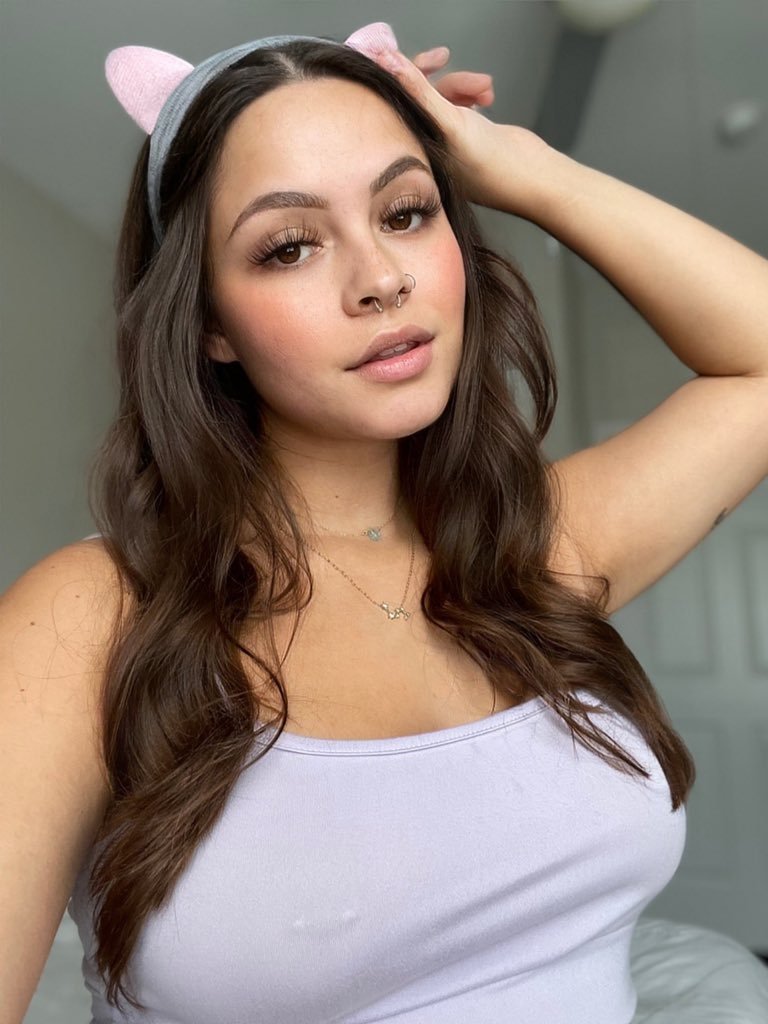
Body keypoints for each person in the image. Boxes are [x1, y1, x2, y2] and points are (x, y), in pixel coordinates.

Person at [2, 19, 767, 1024]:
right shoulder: (91, 617)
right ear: (210, 324)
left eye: (407, 212)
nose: (381, 279)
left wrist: (529, 172)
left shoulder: (530, 548)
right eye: (289, 245)